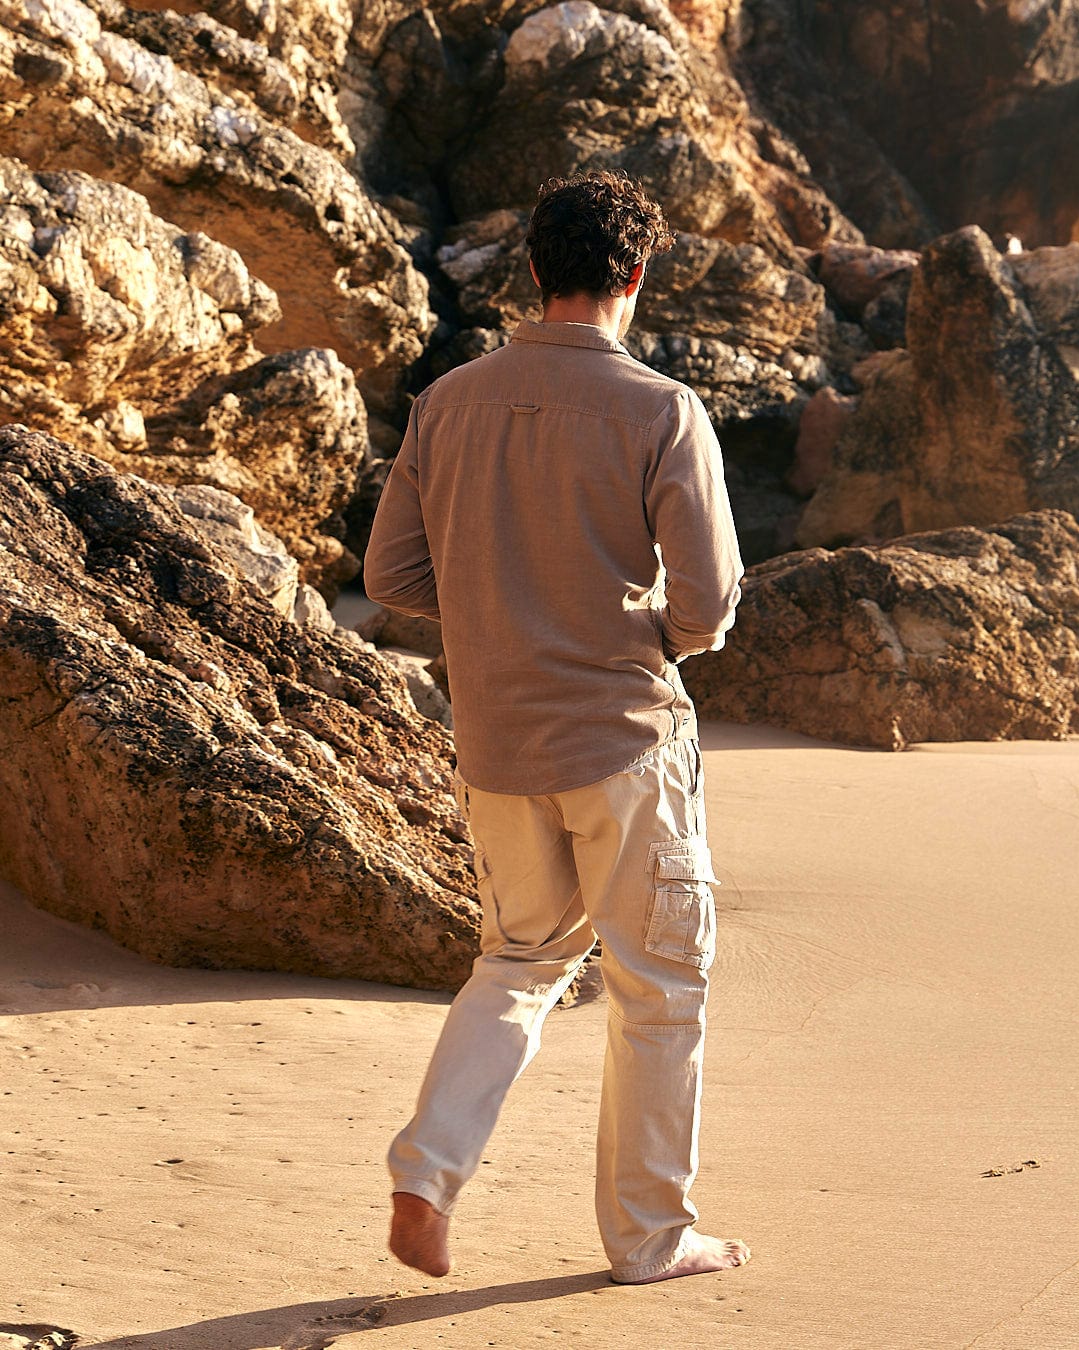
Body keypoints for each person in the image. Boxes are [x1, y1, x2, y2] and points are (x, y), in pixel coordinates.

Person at [363, 170, 747, 1285]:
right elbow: (711, 604)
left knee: (520, 960)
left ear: (533, 273)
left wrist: (496, 613)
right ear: (637, 277)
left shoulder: (449, 402)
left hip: (496, 741)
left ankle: (427, 1173)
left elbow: (390, 573)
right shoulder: (663, 409)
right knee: (660, 991)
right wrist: (654, 637)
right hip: (624, 737)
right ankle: (649, 1238)